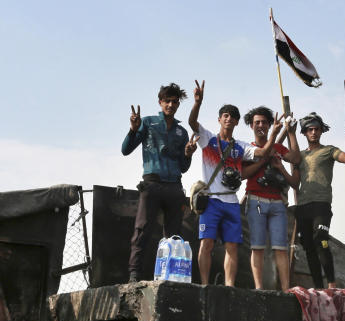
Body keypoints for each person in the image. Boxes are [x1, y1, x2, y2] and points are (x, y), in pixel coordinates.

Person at [188, 80, 283, 286]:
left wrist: (274, 132)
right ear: (220, 119)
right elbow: (192, 123)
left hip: (231, 202)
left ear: (237, 122)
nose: (229, 119)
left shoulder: (240, 146)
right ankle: (204, 284)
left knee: (232, 246)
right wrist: (197, 103)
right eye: (226, 116)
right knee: (207, 243)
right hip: (211, 200)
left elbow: (263, 152)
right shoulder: (208, 139)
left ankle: (229, 286)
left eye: (233, 117)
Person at [121, 82, 198, 282]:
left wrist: (188, 154)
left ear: (178, 104)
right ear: (160, 102)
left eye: (174, 101)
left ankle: (170, 277)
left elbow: (183, 167)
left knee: (174, 237)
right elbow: (125, 150)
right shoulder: (147, 122)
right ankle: (134, 274)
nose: (171, 105)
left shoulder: (181, 132)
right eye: (167, 101)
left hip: (174, 186)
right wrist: (133, 130)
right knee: (142, 230)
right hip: (152, 183)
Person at [292, 111, 345, 289]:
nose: (313, 132)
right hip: (303, 206)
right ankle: (318, 287)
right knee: (309, 248)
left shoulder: (329, 150)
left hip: (321, 204)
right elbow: (294, 182)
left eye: (317, 129)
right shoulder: (299, 157)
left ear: (321, 131)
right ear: (304, 132)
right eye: (310, 129)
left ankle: (332, 284)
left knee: (321, 239)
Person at [240, 106, 300, 291]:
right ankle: (259, 288)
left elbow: (296, 158)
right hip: (256, 199)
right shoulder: (247, 148)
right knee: (257, 247)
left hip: (277, 202)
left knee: (280, 248)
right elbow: (242, 174)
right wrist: (264, 161)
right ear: (251, 125)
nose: (261, 125)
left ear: (268, 125)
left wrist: (291, 133)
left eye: (264, 122)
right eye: (257, 122)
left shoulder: (277, 148)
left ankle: (285, 289)